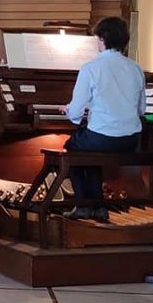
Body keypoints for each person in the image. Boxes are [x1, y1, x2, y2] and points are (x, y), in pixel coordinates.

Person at [63, 16, 146, 222]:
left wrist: (68, 111)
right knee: (89, 150)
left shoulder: (91, 68)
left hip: (102, 137)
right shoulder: (136, 69)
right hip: (130, 140)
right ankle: (98, 207)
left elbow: (75, 111)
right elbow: (141, 109)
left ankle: (84, 205)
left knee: (73, 147)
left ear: (100, 39)